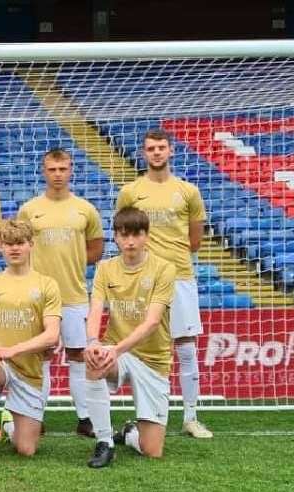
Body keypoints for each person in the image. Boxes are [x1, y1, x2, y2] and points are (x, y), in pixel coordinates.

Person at [116, 129, 211, 439]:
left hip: (180, 276)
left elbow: (194, 240)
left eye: (161, 148)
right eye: (150, 148)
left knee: (185, 347)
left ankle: (190, 417)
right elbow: (124, 234)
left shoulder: (188, 191)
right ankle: (144, 415)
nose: (156, 153)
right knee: (141, 350)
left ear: (170, 151)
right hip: (142, 279)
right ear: (143, 154)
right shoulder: (131, 191)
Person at [18, 148, 103, 437]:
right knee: (40, 356)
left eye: (62, 169)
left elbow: (95, 249)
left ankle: (85, 417)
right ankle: (35, 415)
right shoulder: (30, 209)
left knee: (79, 355)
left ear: (71, 170)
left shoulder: (85, 209)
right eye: (52, 169)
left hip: (75, 296)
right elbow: (19, 247)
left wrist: (72, 262)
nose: (58, 174)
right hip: (39, 298)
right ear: (44, 171)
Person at [83, 207, 176, 468]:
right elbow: (95, 310)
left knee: (152, 450)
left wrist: (117, 349)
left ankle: (129, 433)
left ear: (147, 236)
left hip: (153, 359)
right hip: (117, 351)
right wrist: (93, 342)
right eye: (124, 235)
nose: (130, 241)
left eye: (136, 235)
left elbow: (152, 321)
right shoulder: (105, 268)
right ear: (115, 237)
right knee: (93, 361)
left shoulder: (164, 269)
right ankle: (104, 442)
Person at [0, 219, 61, 466]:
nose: (14, 248)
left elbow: (51, 335)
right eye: (8, 244)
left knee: (26, 449)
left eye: (20, 243)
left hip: (30, 370)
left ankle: (8, 424)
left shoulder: (47, 284)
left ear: (31, 244)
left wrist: (12, 350)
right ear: (2, 247)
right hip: (0, 365)